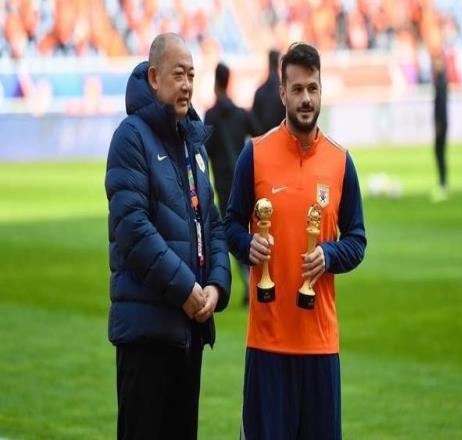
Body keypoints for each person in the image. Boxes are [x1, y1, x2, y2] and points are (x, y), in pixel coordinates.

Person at [224, 42, 367, 439]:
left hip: (320, 345)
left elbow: (357, 239)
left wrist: (330, 254)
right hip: (267, 345)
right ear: (282, 93)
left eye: (313, 88)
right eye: (298, 89)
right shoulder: (255, 154)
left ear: (321, 91)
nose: (306, 98)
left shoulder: (341, 162)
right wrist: (246, 244)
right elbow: (229, 224)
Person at [105, 33, 231, 440]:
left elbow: (212, 222)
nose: (187, 85)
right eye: (179, 75)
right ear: (155, 77)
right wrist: (185, 289)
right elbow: (133, 229)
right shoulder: (130, 137)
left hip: (188, 331)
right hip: (147, 334)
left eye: (192, 75)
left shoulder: (193, 141)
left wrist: (215, 286)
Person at [204, 62, 259, 306]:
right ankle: (255, 280)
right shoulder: (239, 113)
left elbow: (204, 149)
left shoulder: (211, 115)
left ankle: (250, 282)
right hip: (246, 178)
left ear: (216, 84)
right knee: (246, 230)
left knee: (232, 232)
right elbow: (259, 134)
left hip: (224, 181)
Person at [252, 49, 286, 135]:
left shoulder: (260, 91)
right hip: (280, 139)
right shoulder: (284, 92)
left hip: (263, 139)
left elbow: (254, 122)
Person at [431, 50, 449, 202]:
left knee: (439, 153)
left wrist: (439, 123)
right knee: (439, 153)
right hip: (441, 122)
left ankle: (443, 184)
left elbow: (441, 105)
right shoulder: (440, 80)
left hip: (441, 123)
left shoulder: (441, 81)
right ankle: (443, 183)